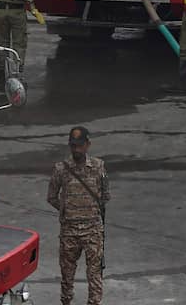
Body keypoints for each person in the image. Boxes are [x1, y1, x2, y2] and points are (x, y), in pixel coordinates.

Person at [47, 126, 110, 305]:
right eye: (73, 146)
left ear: (87, 145)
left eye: (80, 145)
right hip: (69, 231)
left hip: (93, 231)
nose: (76, 149)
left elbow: (105, 196)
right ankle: (66, 301)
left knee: (95, 274)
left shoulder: (98, 167)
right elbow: (51, 196)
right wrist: (66, 209)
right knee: (67, 275)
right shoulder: (61, 169)